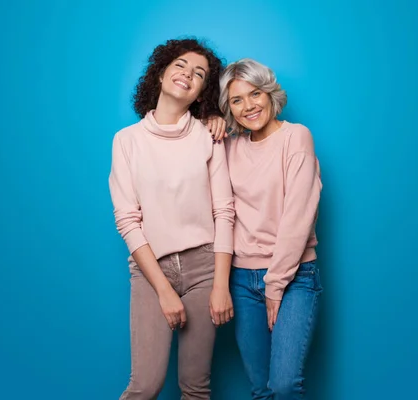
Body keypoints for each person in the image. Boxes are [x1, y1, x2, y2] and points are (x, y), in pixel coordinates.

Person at [108, 38, 235, 400]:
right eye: (180, 64)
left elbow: (224, 212)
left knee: (196, 387)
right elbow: (128, 220)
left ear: (201, 93)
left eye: (199, 73)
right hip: (151, 271)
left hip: (205, 269)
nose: (187, 74)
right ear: (161, 72)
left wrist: (221, 285)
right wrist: (163, 290)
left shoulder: (210, 136)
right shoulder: (127, 141)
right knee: (145, 385)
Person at [217, 58, 323, 399]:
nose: (249, 106)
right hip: (242, 281)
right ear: (228, 108)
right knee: (261, 389)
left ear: (270, 94)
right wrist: (208, 122)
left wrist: (275, 284)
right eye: (237, 100)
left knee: (284, 385)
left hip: (293, 277)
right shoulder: (229, 148)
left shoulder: (296, 137)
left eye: (255, 94)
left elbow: (298, 216)